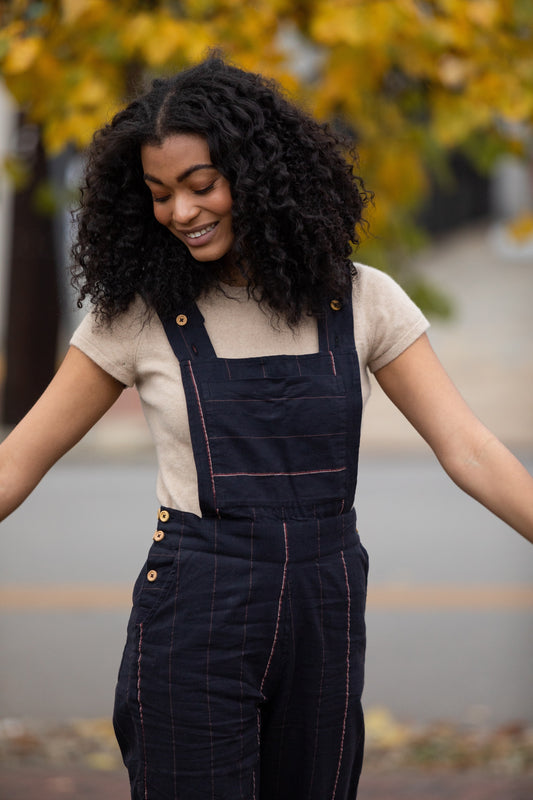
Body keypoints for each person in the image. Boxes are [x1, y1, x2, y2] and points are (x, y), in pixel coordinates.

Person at [1, 53, 532, 800]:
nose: (180, 213)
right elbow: (17, 461)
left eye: (200, 186)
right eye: (158, 195)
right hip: (194, 615)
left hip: (325, 613)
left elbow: (469, 448)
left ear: (257, 174)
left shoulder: (364, 300)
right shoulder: (134, 315)